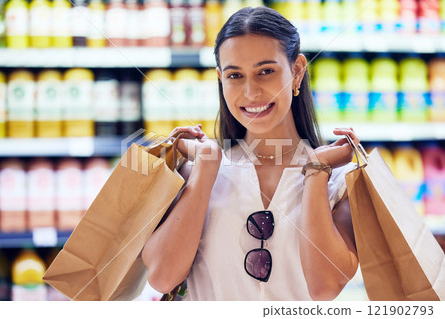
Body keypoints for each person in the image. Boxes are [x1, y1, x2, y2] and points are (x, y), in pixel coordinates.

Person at [142, 6, 360, 301]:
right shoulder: (195, 172)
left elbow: (325, 288)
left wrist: (316, 170)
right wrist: (208, 167)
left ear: (296, 71)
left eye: (266, 71)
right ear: (220, 78)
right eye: (235, 76)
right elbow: (162, 277)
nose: (250, 91)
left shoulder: (340, 181)